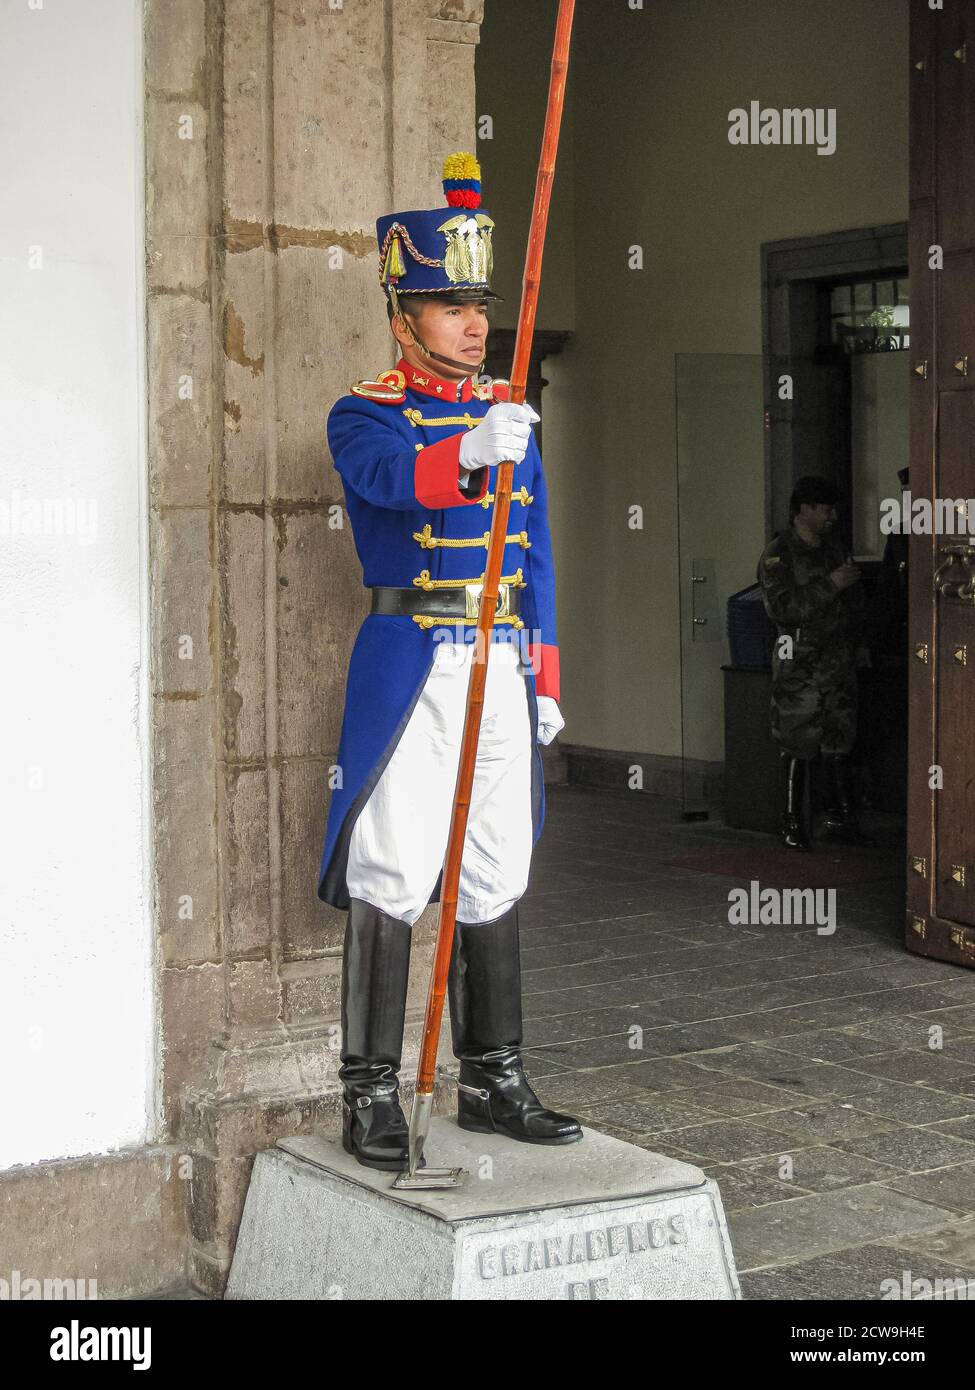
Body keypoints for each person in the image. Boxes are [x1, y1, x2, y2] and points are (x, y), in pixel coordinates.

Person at [317, 153, 582, 1170]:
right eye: (447, 303)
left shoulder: (511, 417)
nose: (473, 321)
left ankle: (493, 1077)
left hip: (500, 662)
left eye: (479, 301)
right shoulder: (365, 411)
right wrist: (468, 454)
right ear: (402, 315)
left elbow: (539, 559)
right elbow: (386, 485)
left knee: (496, 862)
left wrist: (544, 676)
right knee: (393, 863)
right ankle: (369, 1093)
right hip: (415, 657)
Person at [757, 476, 869, 850]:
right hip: (800, 661)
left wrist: (861, 642)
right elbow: (782, 607)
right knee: (797, 738)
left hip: (837, 659)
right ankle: (791, 821)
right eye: (824, 508)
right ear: (802, 510)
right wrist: (832, 584)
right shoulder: (779, 554)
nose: (830, 516)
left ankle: (843, 818)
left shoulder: (834, 549)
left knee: (840, 738)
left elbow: (856, 601)